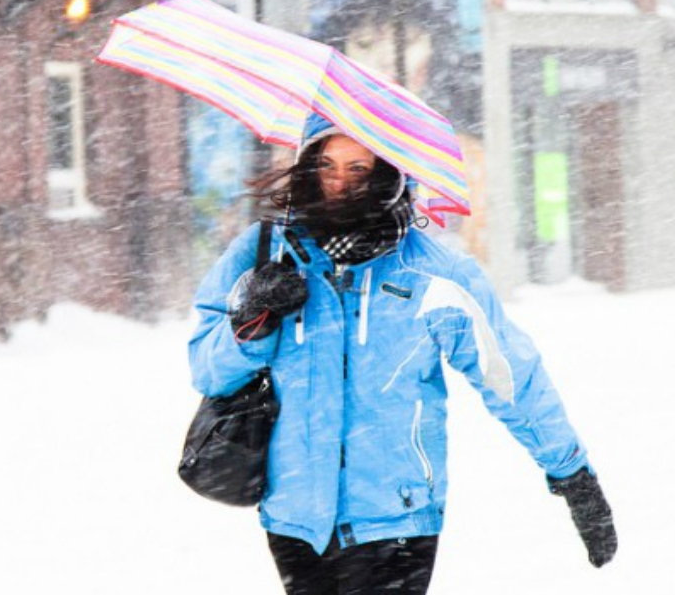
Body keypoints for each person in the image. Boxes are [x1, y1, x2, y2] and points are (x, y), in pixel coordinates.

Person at [188, 115, 617, 594]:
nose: (339, 183)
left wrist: (573, 474)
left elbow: (510, 376)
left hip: (397, 520)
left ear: (389, 175)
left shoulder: (434, 274)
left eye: (359, 169)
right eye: (327, 164)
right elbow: (206, 369)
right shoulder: (266, 251)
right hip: (297, 519)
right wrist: (253, 324)